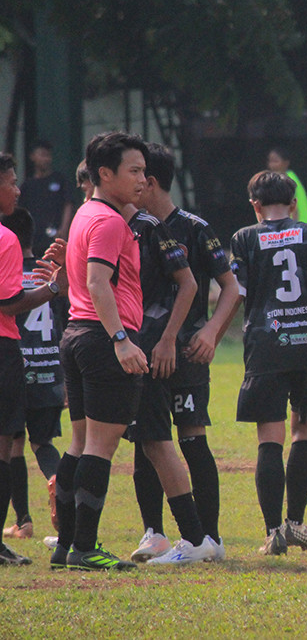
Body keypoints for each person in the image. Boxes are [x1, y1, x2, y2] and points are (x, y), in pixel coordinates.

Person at [226, 170, 307, 555]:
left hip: (265, 347)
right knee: (304, 430)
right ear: (293, 203)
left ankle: (273, 530)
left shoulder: (244, 238)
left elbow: (236, 290)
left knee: (269, 438)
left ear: (255, 205)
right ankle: (296, 522)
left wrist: (212, 331)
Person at [51, 131, 149, 571]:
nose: (142, 179)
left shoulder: (88, 213)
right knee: (100, 448)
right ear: (104, 173)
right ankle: (85, 548)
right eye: (134, 171)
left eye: (144, 171)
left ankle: (66, 546)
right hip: (101, 337)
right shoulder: (109, 222)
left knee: (78, 444)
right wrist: (121, 340)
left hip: (75, 334)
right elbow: (96, 282)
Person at [123, 142, 221, 565]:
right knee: (145, 440)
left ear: (151, 182)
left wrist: (213, 331)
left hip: (185, 354)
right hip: (144, 350)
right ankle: (155, 532)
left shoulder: (195, 228)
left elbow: (228, 286)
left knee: (191, 440)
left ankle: (208, 538)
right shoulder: (129, 227)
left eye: (137, 176)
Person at [0, 154, 68, 566]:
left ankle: (22, 520)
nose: (18, 188)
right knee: (7, 447)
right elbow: (9, 304)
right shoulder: (7, 241)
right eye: (10, 181)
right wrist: (55, 288)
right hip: (13, 354)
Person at [18, 140, 75, 257]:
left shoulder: (60, 180)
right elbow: (20, 212)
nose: (46, 159)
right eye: (42, 155)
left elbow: (68, 203)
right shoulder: (27, 185)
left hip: (55, 238)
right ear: (32, 156)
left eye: (48, 155)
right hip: (34, 241)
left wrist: (64, 229)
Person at [268, 147, 307, 224]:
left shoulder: (285, 180)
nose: (271, 165)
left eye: (275, 161)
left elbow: (294, 209)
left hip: (297, 229)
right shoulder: (292, 176)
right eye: (270, 161)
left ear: (286, 163)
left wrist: (293, 229)